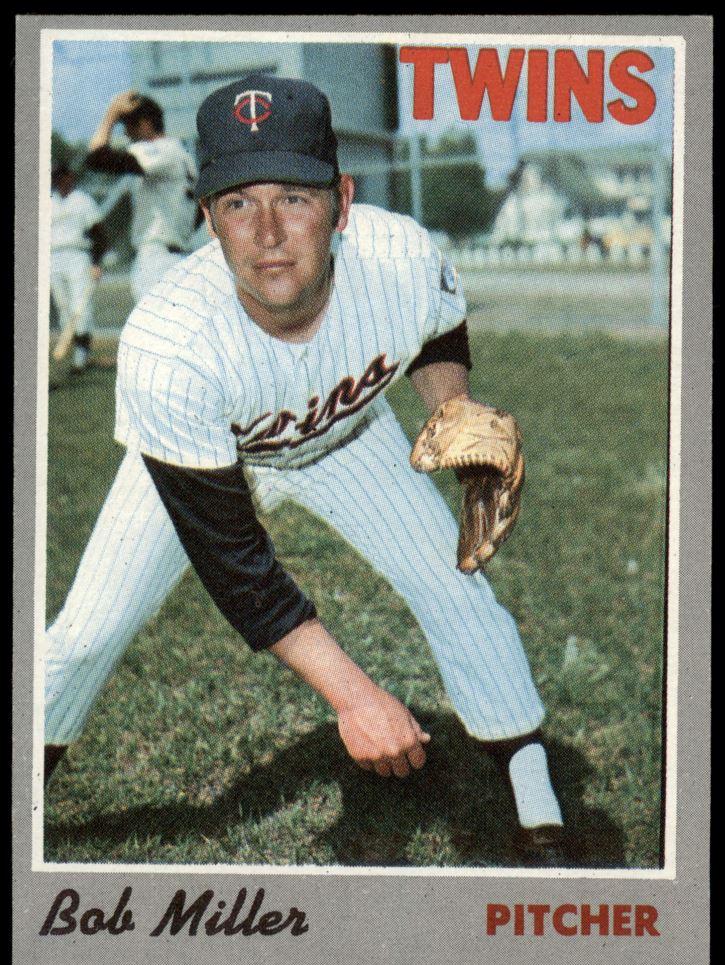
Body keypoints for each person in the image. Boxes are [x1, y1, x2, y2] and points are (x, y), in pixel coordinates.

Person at [45, 74, 567, 867]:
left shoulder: (397, 254)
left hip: (347, 440)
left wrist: (452, 409)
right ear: (206, 218)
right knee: (85, 635)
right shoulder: (168, 342)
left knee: (455, 585)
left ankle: (538, 805)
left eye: (293, 197)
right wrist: (355, 697)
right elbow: (238, 565)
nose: (267, 232)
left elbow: (436, 326)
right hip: (199, 465)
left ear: (343, 202)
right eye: (237, 203)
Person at [85, 90, 199, 302]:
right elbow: (198, 214)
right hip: (180, 255)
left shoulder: (159, 150)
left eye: (128, 124)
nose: (126, 133)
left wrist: (112, 114)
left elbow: (96, 157)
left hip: (157, 258)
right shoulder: (183, 155)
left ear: (145, 123)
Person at [50, 164, 106, 372]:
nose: (60, 181)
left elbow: (99, 233)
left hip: (78, 254)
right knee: (63, 306)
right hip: (53, 256)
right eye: (56, 177)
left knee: (80, 306)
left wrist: (96, 263)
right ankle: (77, 352)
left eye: (63, 176)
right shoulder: (48, 202)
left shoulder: (82, 201)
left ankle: (81, 358)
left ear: (70, 177)